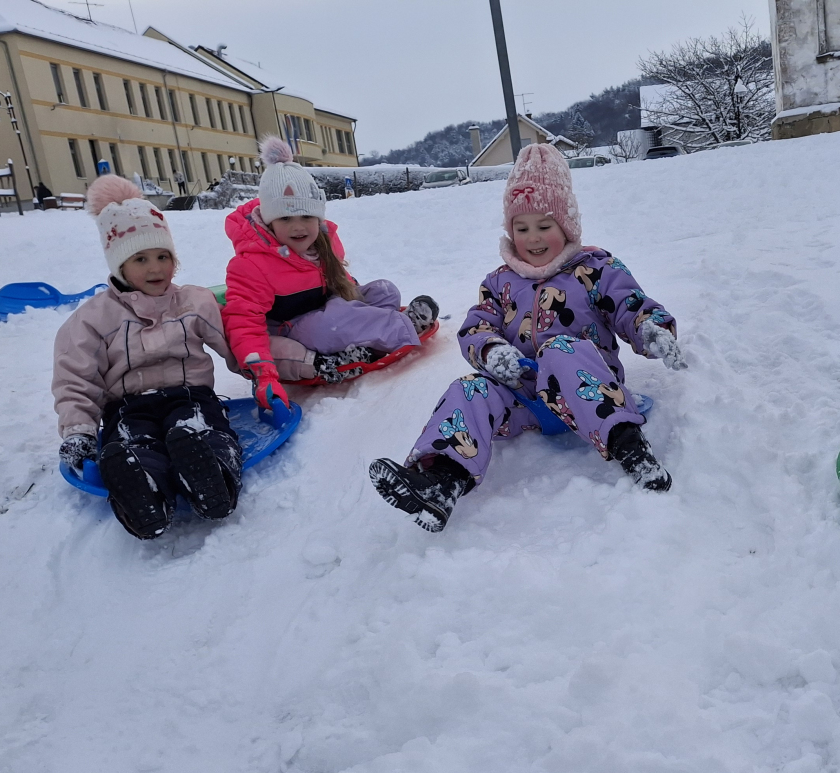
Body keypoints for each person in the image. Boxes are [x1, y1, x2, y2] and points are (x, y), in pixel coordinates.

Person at [368, 143, 684, 532]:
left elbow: (629, 306)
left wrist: (652, 329)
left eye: (544, 226)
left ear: (566, 225)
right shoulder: (500, 282)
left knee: (560, 349)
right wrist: (492, 351)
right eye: (522, 228)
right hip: (525, 399)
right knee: (470, 389)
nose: (533, 238)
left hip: (589, 394)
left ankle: (630, 448)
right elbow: (476, 327)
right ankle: (441, 483)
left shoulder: (595, 268)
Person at [52, 176, 243, 540]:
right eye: (141, 259)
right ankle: (144, 492)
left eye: (163, 256)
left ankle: (213, 476)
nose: (156, 268)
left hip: (190, 395)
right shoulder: (93, 319)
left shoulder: (194, 301)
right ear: (119, 265)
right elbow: (75, 378)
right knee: (131, 443)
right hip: (127, 407)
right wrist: (79, 429)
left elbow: (233, 340)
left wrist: (262, 371)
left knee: (200, 429)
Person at [221, 136, 439, 409]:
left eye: (306, 216)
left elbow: (342, 283)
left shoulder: (322, 244)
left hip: (327, 312)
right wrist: (263, 374)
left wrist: (354, 295)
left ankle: (368, 336)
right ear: (269, 221)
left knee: (384, 291)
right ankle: (399, 328)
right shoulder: (251, 264)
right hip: (293, 332)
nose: (298, 227)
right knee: (334, 322)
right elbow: (244, 322)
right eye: (285, 218)